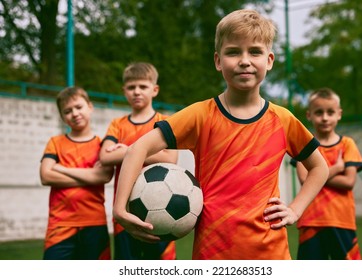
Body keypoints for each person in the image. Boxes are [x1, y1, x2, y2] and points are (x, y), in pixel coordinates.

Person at [113, 9, 328, 260]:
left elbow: (319, 168)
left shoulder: (283, 119)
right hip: (212, 252)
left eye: (255, 52)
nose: (244, 60)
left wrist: (294, 209)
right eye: (234, 52)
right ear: (218, 60)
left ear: (269, 60)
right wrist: (119, 209)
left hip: (271, 253)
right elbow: (136, 149)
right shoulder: (200, 115)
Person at [99, 62, 178, 260]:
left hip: (161, 209)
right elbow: (105, 156)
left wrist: (127, 150)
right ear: (124, 91)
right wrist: (149, 153)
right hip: (125, 211)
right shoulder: (117, 125)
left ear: (155, 89)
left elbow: (170, 158)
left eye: (142, 87)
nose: (137, 92)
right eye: (131, 87)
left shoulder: (165, 122)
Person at [290, 88, 362, 260]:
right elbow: (304, 179)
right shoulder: (304, 144)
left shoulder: (348, 144)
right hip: (311, 222)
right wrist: (337, 168)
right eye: (319, 112)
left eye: (330, 112)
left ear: (339, 114)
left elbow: (349, 181)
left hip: (342, 221)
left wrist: (317, 175)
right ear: (309, 115)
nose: (325, 117)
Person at [39, 86, 114, 260]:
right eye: (67, 111)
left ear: (90, 106)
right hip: (60, 226)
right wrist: (90, 176)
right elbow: (45, 176)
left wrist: (61, 169)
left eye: (79, 107)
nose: (74, 113)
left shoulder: (102, 144)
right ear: (62, 117)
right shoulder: (55, 143)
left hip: (94, 223)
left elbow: (103, 176)